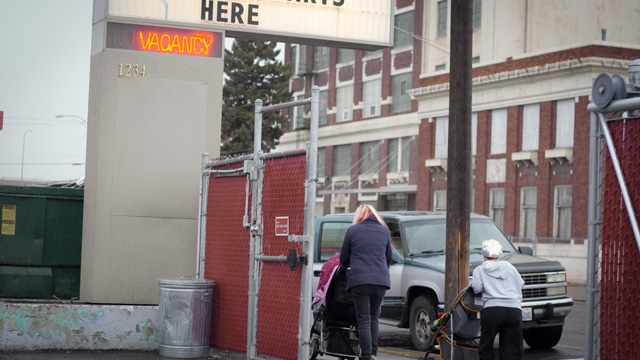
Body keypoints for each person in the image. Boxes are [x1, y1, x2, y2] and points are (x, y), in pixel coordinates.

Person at [339, 205, 394, 360]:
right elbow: (389, 257)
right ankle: (374, 354)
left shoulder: (352, 231)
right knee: (373, 317)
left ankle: (366, 355)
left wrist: (348, 269)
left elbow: (343, 257)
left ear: (359, 216)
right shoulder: (384, 231)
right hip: (381, 281)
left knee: (363, 319)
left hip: (360, 282)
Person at [471, 239, 525, 360]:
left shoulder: (479, 270)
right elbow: (520, 284)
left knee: (486, 345)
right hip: (514, 310)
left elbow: (477, 288)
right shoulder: (510, 267)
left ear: (483, 254)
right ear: (499, 253)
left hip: (492, 309)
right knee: (512, 349)